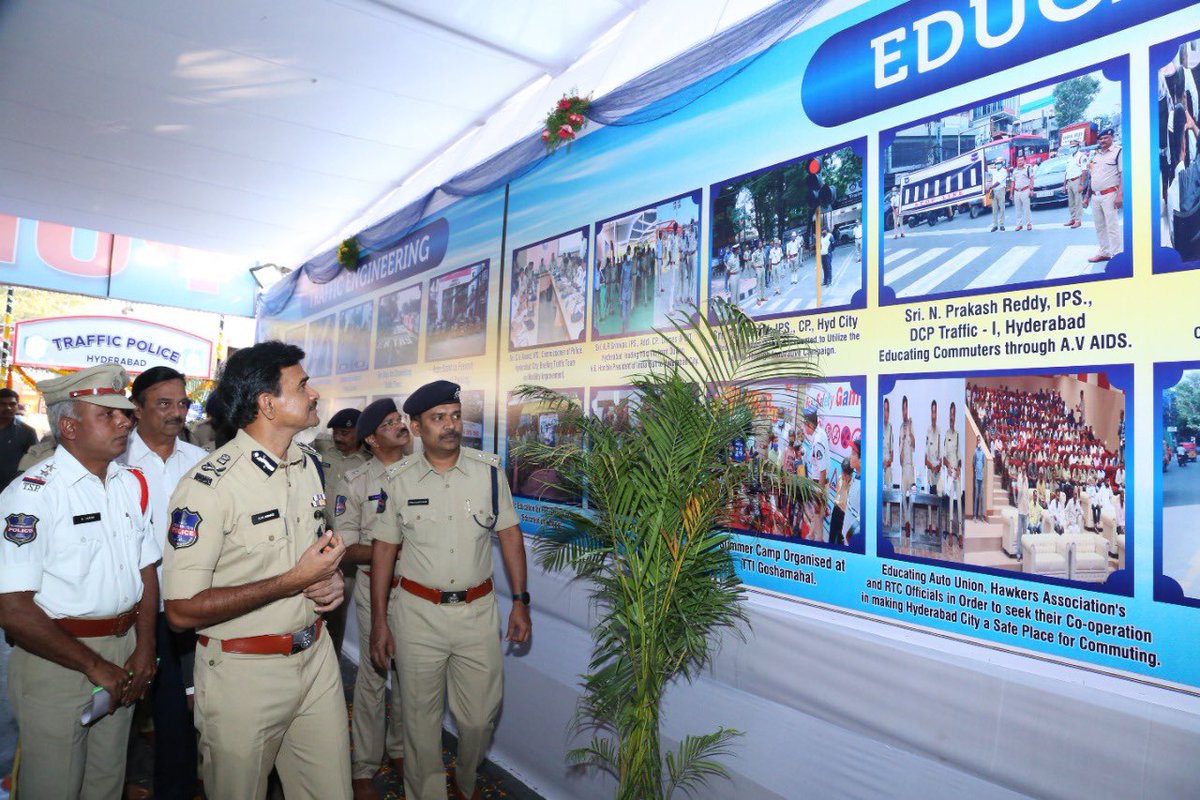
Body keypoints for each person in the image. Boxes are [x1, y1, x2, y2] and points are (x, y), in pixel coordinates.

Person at [162, 341, 352, 800]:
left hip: (316, 658)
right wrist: (294, 581)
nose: (314, 394)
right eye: (302, 385)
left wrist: (329, 582)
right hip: (243, 674)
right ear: (267, 403)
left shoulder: (309, 466)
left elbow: (308, 559)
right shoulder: (209, 487)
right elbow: (182, 612)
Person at [0, 364, 158, 799]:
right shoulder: (32, 495)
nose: (125, 420)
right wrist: (93, 665)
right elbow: (13, 609)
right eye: (107, 414)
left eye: (123, 413)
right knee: (52, 786)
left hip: (124, 652)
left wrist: (145, 648)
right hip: (57, 658)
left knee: (106, 782)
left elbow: (146, 571)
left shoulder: (129, 484)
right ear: (69, 427)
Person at [369, 380, 531, 800]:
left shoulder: (489, 473)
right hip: (417, 615)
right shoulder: (399, 479)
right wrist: (379, 622)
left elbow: (511, 536)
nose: (450, 425)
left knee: (479, 718)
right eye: (438, 418)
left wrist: (520, 602)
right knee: (420, 722)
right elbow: (384, 550)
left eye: (455, 415)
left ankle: (465, 782)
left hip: (476, 614)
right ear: (417, 426)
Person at [122, 366, 207, 800]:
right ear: (136, 409)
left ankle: (173, 789)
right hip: (129, 608)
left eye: (182, 403)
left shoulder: (200, 464)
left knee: (179, 711)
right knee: (117, 709)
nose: (176, 413)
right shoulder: (115, 462)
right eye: (164, 403)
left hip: (183, 608)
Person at [336, 398, 413, 799]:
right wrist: (392, 548)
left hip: (418, 591)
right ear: (371, 438)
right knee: (374, 671)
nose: (400, 425)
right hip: (375, 588)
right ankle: (364, 763)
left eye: (400, 418)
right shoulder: (356, 482)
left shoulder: (423, 472)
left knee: (410, 672)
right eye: (389, 422)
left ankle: (400, 749)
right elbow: (346, 549)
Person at [315, 406, 367, 654]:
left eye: (346, 433)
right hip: (316, 542)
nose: (339, 438)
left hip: (347, 548)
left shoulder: (369, 462)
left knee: (335, 608)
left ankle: (331, 662)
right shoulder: (322, 450)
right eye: (336, 432)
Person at [1085, 127, 1124, 263]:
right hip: (1095, 196)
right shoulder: (1095, 154)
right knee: (1099, 226)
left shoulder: (1118, 152)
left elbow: (1122, 175)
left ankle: (1116, 254)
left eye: (1105, 138)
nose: (1102, 141)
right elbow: (1092, 176)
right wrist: (1086, 196)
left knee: (1112, 226)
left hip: (1110, 195)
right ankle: (1105, 252)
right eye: (1100, 139)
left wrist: (1120, 195)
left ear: (1111, 137)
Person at [800, 409, 831, 542]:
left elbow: (822, 470)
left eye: (804, 424)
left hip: (819, 483)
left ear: (810, 425)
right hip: (817, 482)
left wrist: (820, 495)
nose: (803, 427)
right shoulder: (819, 433)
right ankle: (810, 536)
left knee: (818, 519)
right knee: (815, 516)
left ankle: (818, 546)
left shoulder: (818, 441)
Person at [0, 387, 38, 490]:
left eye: (12, 404)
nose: (8, 408)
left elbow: (35, 463)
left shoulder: (27, 432)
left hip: (10, 490)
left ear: (17, 406)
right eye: (3, 404)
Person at [943, 402, 961, 546]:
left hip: (957, 473)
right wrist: (948, 466)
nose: (952, 418)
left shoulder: (958, 435)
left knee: (959, 503)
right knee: (950, 503)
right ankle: (949, 533)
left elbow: (959, 456)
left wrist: (958, 469)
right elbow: (944, 457)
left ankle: (960, 533)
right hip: (949, 472)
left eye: (954, 415)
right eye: (950, 415)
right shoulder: (946, 434)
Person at [923, 400, 942, 537]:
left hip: (938, 472)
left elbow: (941, 456)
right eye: (932, 412)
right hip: (930, 471)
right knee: (929, 500)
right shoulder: (928, 431)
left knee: (938, 499)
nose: (933, 415)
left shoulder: (940, 432)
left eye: (935, 412)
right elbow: (925, 458)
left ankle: (937, 525)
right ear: (930, 413)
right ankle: (929, 525)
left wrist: (938, 467)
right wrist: (931, 467)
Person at [899, 396, 915, 535]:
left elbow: (914, 446)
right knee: (903, 495)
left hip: (911, 467)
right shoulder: (900, 428)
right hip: (903, 467)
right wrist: (903, 440)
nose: (905, 411)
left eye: (906, 408)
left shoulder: (911, 424)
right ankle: (907, 522)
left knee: (913, 495)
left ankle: (909, 520)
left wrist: (910, 431)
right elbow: (899, 458)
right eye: (903, 409)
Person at [1063, 141, 1088, 228]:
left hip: (1077, 180)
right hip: (1069, 181)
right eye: (1070, 147)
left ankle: (1078, 220)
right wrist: (1064, 184)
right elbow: (1067, 171)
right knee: (1071, 202)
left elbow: (1084, 170)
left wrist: (1082, 184)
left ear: (1078, 146)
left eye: (1073, 146)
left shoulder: (1081, 156)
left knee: (1078, 201)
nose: (1072, 148)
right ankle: (1073, 218)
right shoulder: (1069, 157)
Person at [1011, 155, 1034, 231]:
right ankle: (1019, 225)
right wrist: (1011, 193)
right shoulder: (1015, 171)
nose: (1020, 162)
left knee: (1026, 208)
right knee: (1018, 209)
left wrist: (1031, 190)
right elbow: (1013, 182)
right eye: (1018, 160)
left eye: (1021, 160)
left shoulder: (1028, 169)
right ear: (1017, 161)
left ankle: (1029, 224)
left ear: (1024, 161)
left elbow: (1031, 179)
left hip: (1025, 190)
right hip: (1016, 192)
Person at [882, 397, 894, 528]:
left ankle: (888, 521)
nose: (886, 413)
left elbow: (893, 452)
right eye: (884, 410)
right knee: (879, 495)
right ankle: (879, 521)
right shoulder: (877, 427)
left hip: (888, 466)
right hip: (879, 467)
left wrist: (888, 462)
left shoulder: (891, 428)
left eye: (888, 410)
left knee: (889, 493)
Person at [988, 158, 1009, 232]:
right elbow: (985, 169)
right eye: (996, 164)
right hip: (994, 191)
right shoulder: (994, 171)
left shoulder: (1004, 171)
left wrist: (990, 187)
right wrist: (983, 157)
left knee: (1002, 208)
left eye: (998, 163)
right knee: (994, 209)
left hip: (1001, 190)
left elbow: (999, 182)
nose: (997, 165)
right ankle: (995, 225)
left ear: (1002, 163)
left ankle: (1002, 225)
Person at [973, 439, 987, 521]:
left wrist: (981, 470)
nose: (979, 443)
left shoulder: (983, 453)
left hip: (981, 478)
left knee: (981, 497)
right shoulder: (975, 452)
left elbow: (983, 464)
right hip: (976, 477)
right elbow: (974, 462)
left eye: (980, 442)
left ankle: (981, 516)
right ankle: (975, 515)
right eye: (978, 441)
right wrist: (976, 470)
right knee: (976, 497)